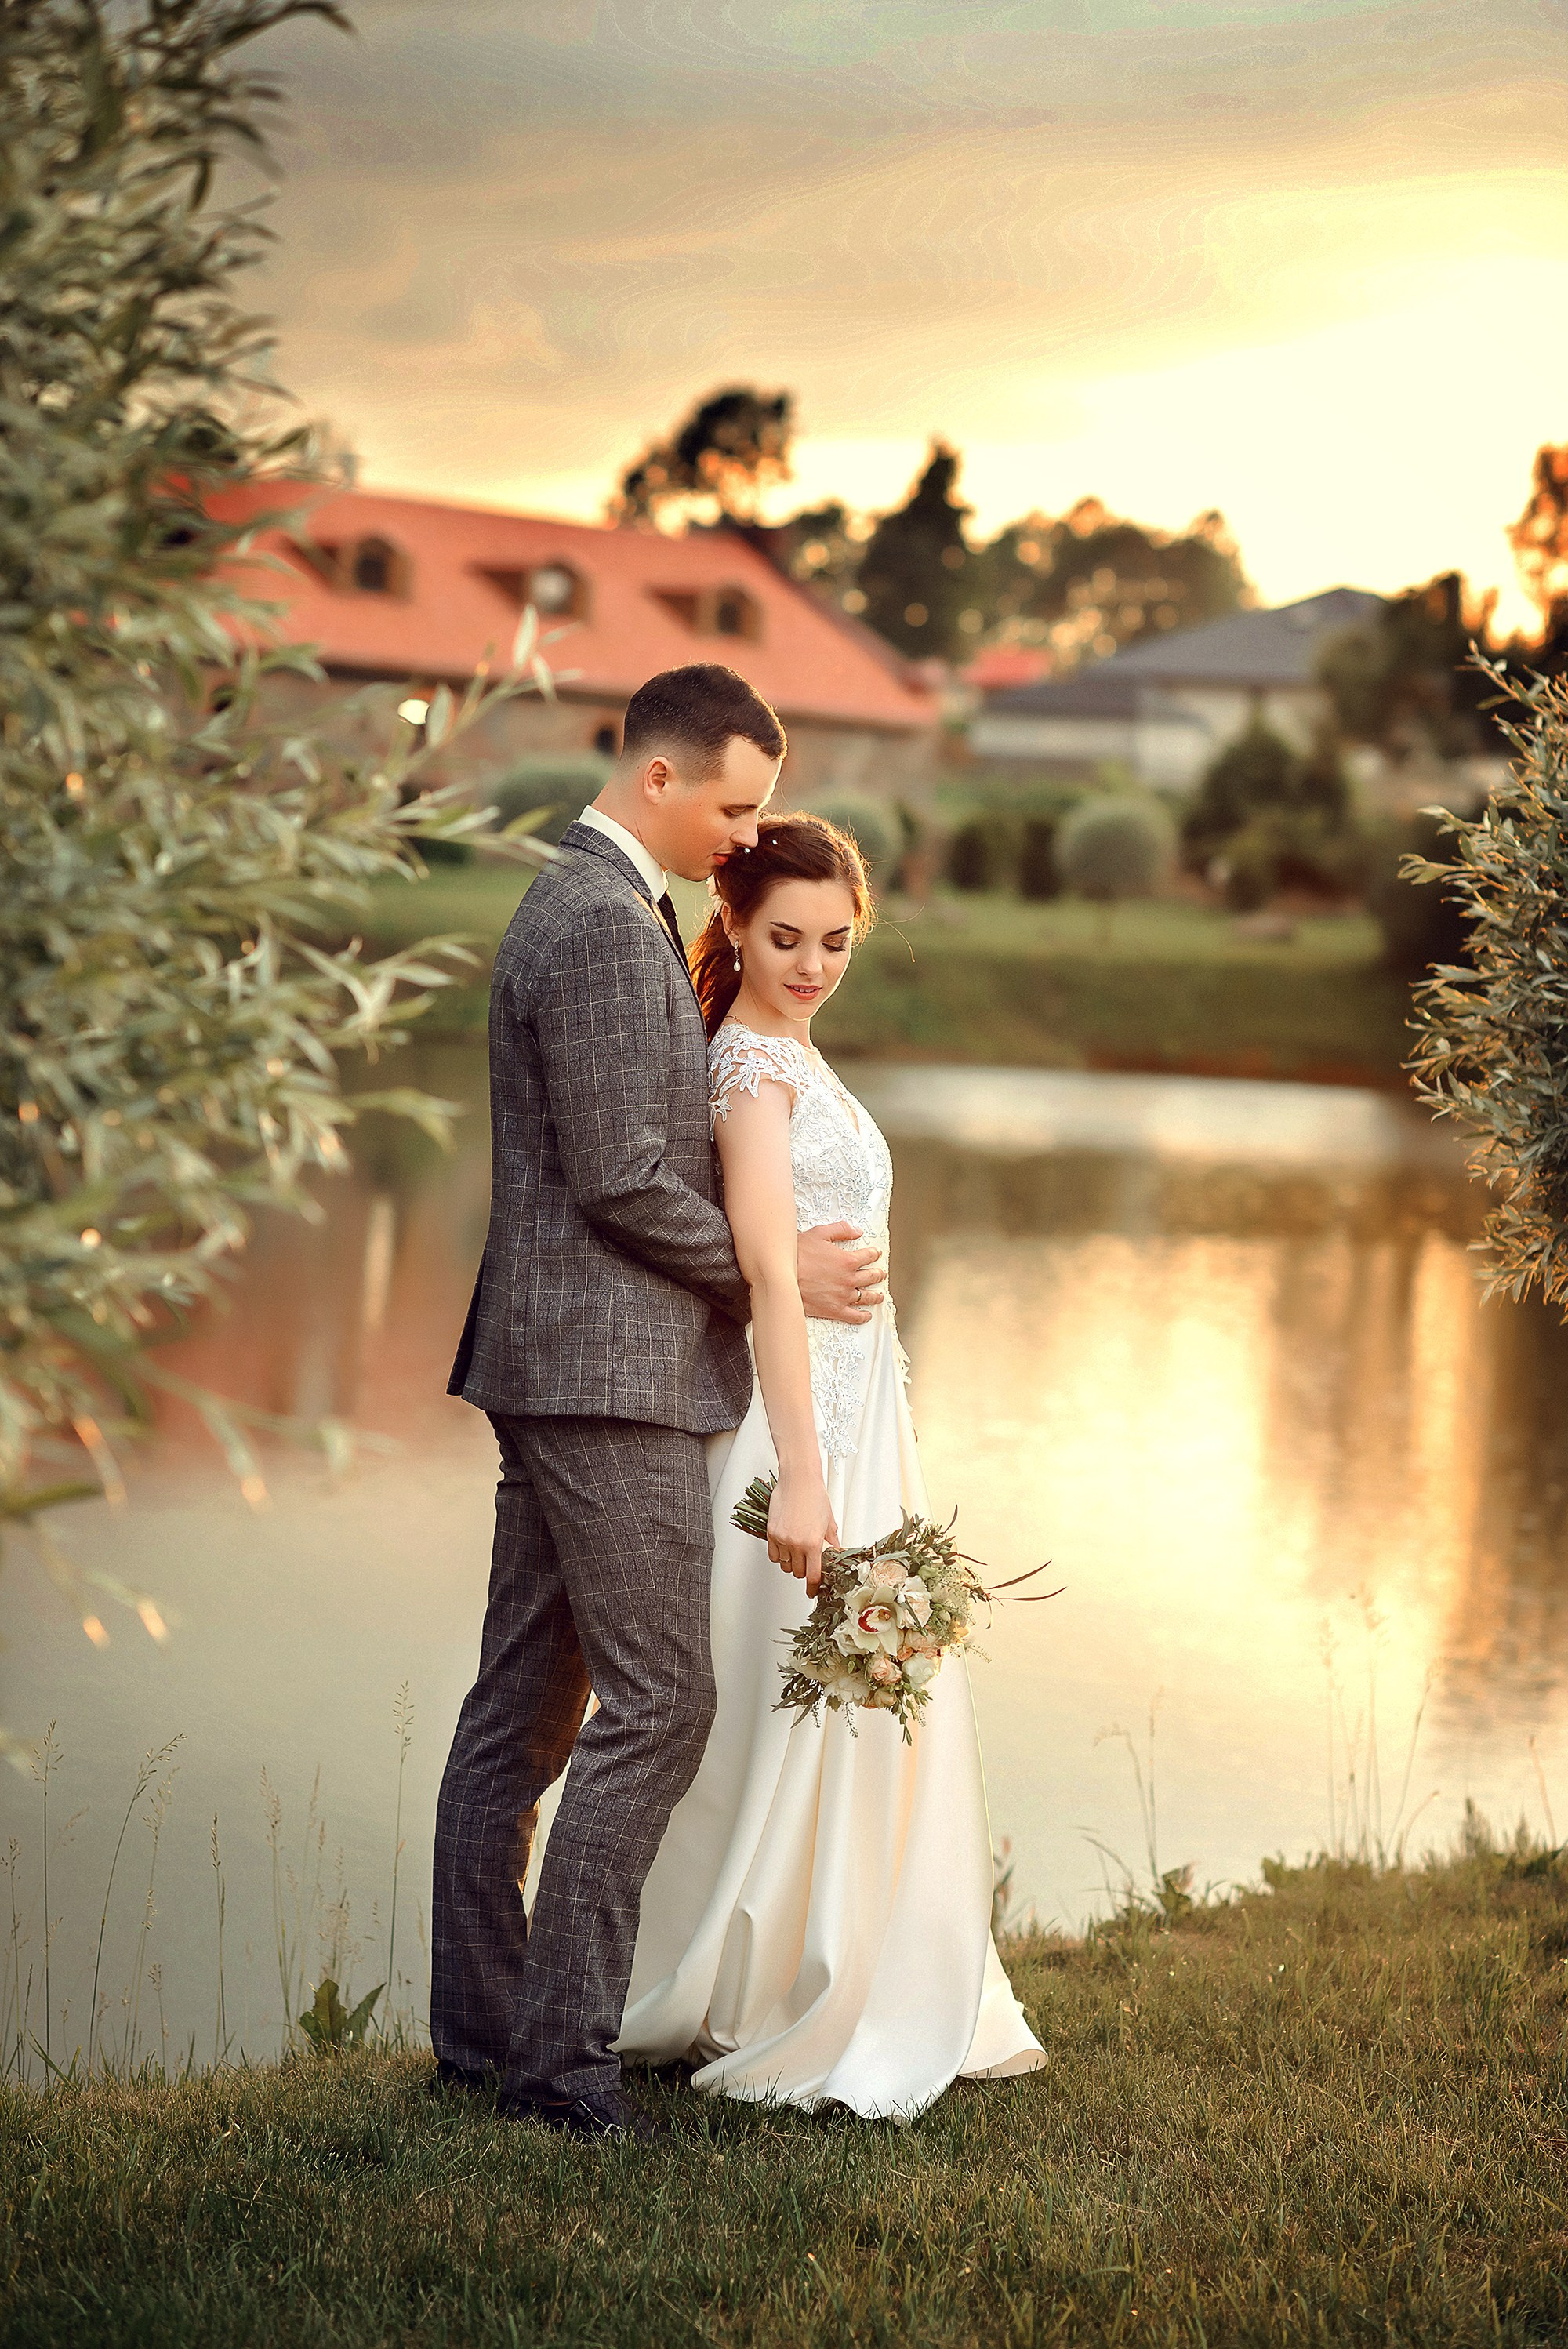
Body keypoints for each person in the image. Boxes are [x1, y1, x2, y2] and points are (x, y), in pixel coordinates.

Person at [431, 666, 884, 2142]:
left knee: (523, 1709)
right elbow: (625, 1175)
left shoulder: (589, 907)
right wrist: (780, 1275)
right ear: (662, 781)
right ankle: (559, 2077)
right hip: (608, 1378)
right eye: (737, 805)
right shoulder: (603, 926)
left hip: (562, 1364)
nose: (742, 836)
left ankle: (485, 2038)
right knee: (661, 1704)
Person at [617, 812, 1044, 2118]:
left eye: (836, 942)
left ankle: (838, 1959)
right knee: (783, 1694)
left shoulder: (798, 1050)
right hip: (799, 1427)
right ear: (734, 925)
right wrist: (803, 1477)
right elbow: (766, 1278)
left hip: (865, 1417)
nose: (810, 964)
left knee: (845, 1696)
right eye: (786, 938)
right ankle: (754, 1983)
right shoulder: (748, 1070)